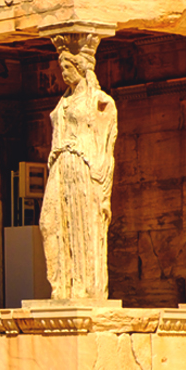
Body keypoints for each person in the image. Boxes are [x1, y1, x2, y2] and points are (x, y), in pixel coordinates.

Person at [39, 41, 117, 300]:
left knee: (84, 226)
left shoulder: (100, 101)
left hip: (84, 167)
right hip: (60, 165)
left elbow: (106, 143)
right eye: (61, 67)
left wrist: (101, 181)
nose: (63, 73)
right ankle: (60, 285)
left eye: (67, 67)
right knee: (49, 223)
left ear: (80, 67)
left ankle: (85, 289)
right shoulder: (63, 101)